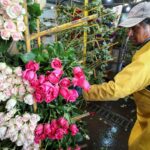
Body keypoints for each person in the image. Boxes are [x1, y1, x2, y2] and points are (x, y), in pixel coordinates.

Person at [83, 2, 150, 150]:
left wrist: (83, 90)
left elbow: (115, 89)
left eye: (134, 28)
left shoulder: (147, 60)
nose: (130, 34)